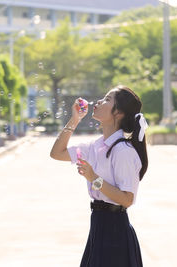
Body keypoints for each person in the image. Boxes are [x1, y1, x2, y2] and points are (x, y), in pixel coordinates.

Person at [50, 85, 148, 267]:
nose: (98, 102)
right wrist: (75, 119)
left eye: (107, 99)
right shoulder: (95, 147)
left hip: (115, 230)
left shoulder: (123, 151)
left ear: (117, 113)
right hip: (98, 224)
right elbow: (57, 153)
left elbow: (126, 199)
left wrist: (94, 178)